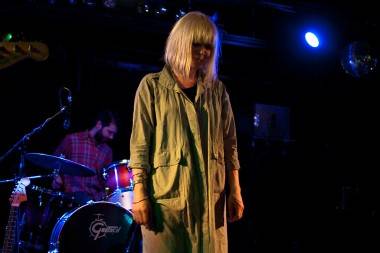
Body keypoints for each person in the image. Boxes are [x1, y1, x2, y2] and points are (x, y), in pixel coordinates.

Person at [129, 11, 244, 253]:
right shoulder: (151, 87)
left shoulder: (218, 92)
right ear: (181, 42)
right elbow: (140, 145)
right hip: (167, 209)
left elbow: (230, 144)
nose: (204, 52)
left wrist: (236, 190)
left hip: (211, 207)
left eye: (209, 46)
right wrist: (139, 194)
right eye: (196, 44)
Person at [52, 110, 119, 203]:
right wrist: (56, 177)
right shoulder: (72, 139)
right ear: (99, 125)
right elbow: (53, 161)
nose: (111, 137)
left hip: (95, 200)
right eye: (109, 132)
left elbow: (105, 181)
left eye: (114, 134)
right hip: (72, 196)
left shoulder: (107, 151)